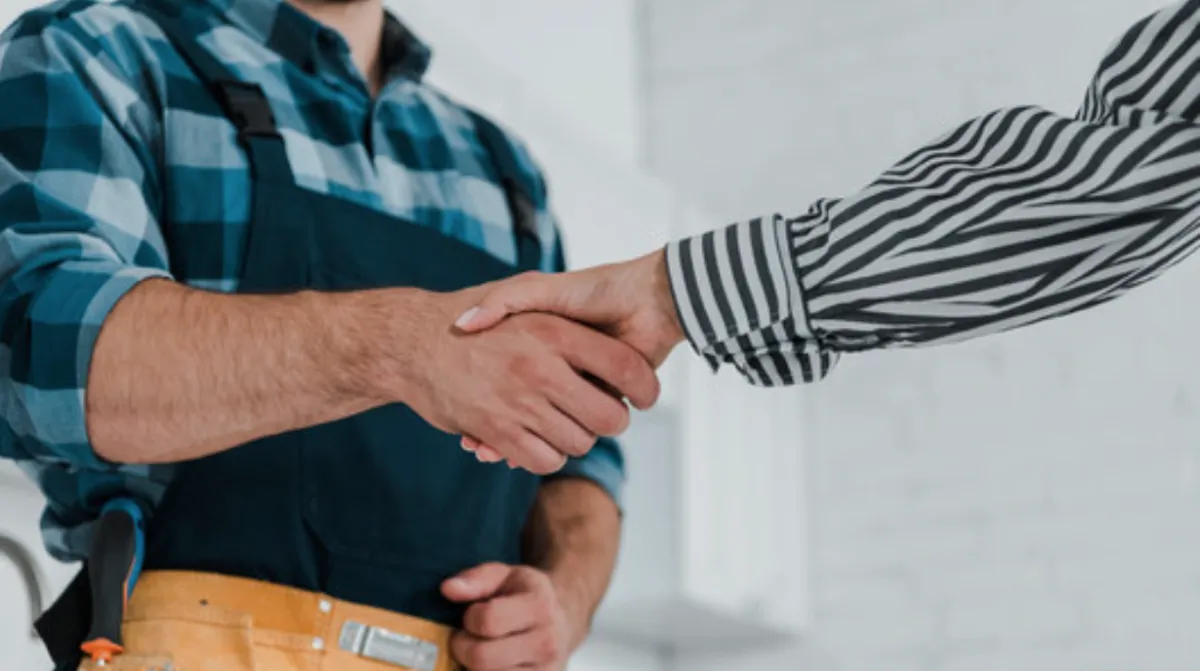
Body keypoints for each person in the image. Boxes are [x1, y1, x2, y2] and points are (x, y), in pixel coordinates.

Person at [0, 0, 662, 667]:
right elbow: (44, 359)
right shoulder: (103, 52)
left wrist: (566, 598)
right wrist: (399, 346)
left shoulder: (500, 169)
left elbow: (585, 456)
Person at [454, 0, 1200, 460]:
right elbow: (1134, 172)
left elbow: (1135, 175)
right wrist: (673, 291)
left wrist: (674, 291)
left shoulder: (501, 161)